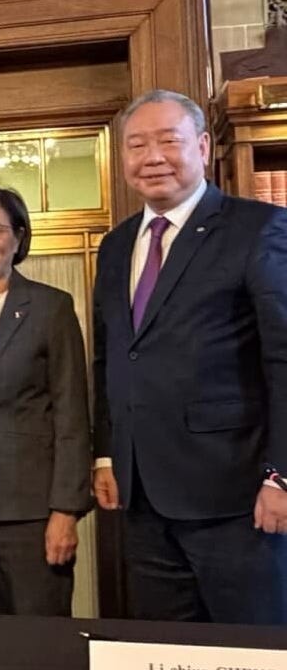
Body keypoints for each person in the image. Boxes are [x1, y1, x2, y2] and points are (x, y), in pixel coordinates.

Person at [93, 89, 287, 624]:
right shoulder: (116, 245)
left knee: (251, 655)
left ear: (202, 147)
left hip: (236, 496)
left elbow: (283, 359)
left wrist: (282, 476)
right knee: (165, 654)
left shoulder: (257, 228)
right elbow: (110, 358)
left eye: (168, 141)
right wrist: (107, 453)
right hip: (141, 497)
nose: (152, 157)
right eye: (137, 145)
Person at [0, 185, 91, 615]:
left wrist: (65, 511)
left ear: (18, 237)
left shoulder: (50, 307)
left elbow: (71, 415)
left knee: (37, 630)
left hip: (28, 509)